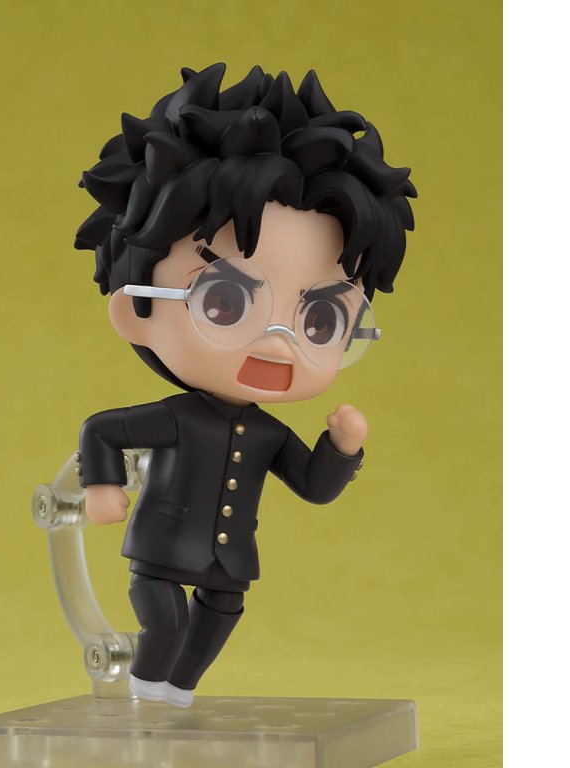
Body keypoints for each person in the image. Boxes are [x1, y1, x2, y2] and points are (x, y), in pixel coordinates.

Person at [72, 63, 416, 708]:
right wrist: (102, 486)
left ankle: (176, 697)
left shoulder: (267, 433)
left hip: (228, 563)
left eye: (320, 320)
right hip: (163, 552)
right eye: (226, 304)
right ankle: (146, 692)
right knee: (165, 621)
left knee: (218, 619)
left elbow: (313, 487)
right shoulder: (176, 418)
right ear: (135, 310)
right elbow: (103, 429)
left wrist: (342, 448)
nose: (278, 343)